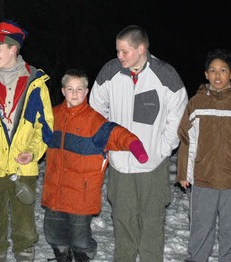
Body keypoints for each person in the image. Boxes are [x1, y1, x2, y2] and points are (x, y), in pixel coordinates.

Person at [89, 25, 188, 261]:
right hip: (120, 164)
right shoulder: (110, 71)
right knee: (122, 220)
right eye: (117, 51)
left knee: (152, 221)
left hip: (152, 167)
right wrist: (108, 140)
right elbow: (95, 109)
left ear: (141, 48)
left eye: (124, 52)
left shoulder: (166, 75)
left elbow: (178, 117)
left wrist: (162, 149)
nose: (119, 57)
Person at [0, 20, 54, 262]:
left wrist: (32, 152)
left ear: (13, 48)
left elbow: (45, 127)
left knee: (23, 216)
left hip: (23, 163)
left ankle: (25, 251)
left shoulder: (36, 83)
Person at [41, 69, 148, 262]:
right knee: (53, 233)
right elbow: (33, 135)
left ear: (87, 91)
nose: (75, 93)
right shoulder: (52, 115)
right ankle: (62, 256)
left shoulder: (94, 120)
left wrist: (136, 147)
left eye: (79, 89)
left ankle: (84, 256)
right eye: (70, 89)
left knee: (80, 238)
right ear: (63, 91)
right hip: (55, 190)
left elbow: (117, 134)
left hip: (81, 194)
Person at [176, 49, 231, 261]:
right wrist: (184, 173)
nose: (217, 75)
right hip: (204, 179)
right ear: (206, 74)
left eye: (223, 70)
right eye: (212, 70)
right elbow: (187, 140)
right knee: (200, 227)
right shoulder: (196, 103)